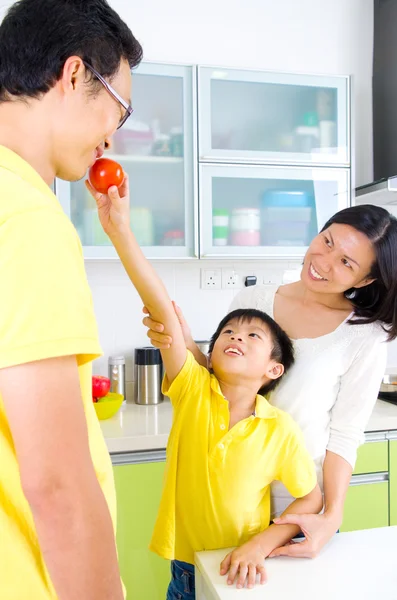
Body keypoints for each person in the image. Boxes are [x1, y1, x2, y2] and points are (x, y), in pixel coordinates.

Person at [86, 174, 323, 598]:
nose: (236, 337)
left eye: (254, 337)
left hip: (244, 571)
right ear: (209, 354)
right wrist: (119, 230)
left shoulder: (279, 429)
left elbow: (310, 499)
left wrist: (262, 542)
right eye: (228, 332)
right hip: (187, 569)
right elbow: (161, 308)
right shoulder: (193, 390)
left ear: (274, 370)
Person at [144, 204, 397, 559]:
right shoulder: (255, 299)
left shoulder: (363, 336)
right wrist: (182, 343)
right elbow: (219, 381)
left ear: (365, 280)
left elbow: (345, 433)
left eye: (346, 263)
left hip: (295, 505)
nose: (324, 262)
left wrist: (331, 513)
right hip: (228, 494)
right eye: (327, 242)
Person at [0, 1, 142, 599]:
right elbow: (57, 484)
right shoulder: (27, 216)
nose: (113, 136)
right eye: (120, 108)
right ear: (76, 74)